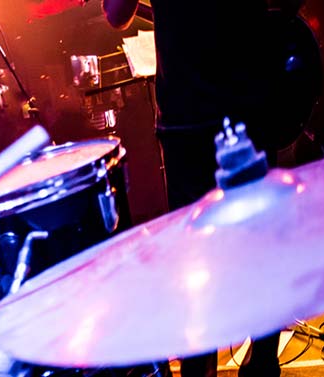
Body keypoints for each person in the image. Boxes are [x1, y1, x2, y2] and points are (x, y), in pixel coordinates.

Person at [101, 1, 290, 376]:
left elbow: (116, 14)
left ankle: (200, 365)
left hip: (188, 117)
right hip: (249, 102)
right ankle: (264, 361)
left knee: (196, 255)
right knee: (260, 240)